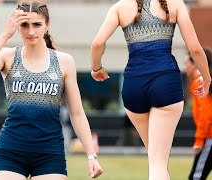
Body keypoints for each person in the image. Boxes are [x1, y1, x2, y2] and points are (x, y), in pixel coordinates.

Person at [0, 1, 103, 180]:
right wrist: (4, 34)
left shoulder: (64, 62)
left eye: (37, 25)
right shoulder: (8, 56)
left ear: (47, 26)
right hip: (11, 150)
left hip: (49, 152)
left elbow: (77, 113)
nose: (31, 31)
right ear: (18, 27)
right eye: (24, 25)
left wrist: (91, 155)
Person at [90, 0, 211, 179]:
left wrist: (96, 69)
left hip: (134, 86)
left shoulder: (120, 7)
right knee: (158, 164)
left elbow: (97, 44)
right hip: (166, 84)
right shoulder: (174, 3)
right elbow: (195, 48)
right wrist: (207, 78)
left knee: (156, 161)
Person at [185, 48, 212, 180]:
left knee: (196, 177)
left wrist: (199, 141)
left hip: (209, 137)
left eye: (187, 64)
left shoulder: (199, 81)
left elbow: (206, 113)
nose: (185, 68)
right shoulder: (206, 79)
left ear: (195, 63)